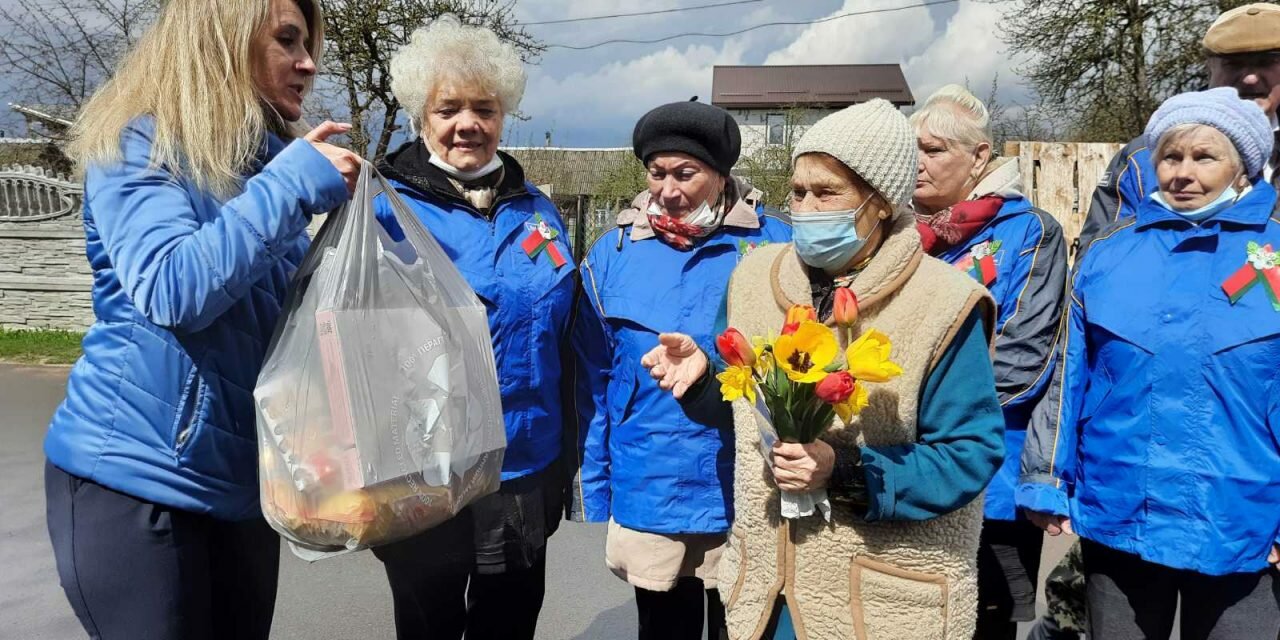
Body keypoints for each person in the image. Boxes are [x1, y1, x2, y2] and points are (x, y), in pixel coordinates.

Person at [42, 0, 359, 638]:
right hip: (138, 487)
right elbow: (172, 287)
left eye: (310, 45)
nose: (308, 63)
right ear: (223, 39)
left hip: (241, 499)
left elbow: (273, 340)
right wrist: (292, 185)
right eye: (288, 41)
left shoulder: (262, 170)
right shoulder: (139, 143)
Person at [642, 98, 1005, 640]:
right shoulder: (754, 277)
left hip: (875, 599)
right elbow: (742, 411)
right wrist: (701, 378)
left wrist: (845, 471)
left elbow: (971, 452)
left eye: (827, 192)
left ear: (880, 202)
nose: (807, 208)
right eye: (798, 191)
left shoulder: (944, 303)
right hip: (763, 593)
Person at [1018, 87, 1280, 640]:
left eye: (1204, 157)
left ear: (1243, 168)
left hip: (1241, 515)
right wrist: (1045, 477)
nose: (1182, 172)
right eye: (1170, 156)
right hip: (1121, 507)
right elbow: (1070, 373)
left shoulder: (1275, 256)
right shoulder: (1109, 255)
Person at [368, 16, 573, 640]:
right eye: (448, 107)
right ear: (420, 117)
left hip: (523, 466)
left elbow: (564, 330)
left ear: (504, 114)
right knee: (427, 625)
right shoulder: (383, 206)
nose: (468, 124)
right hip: (422, 469)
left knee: (508, 624)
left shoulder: (537, 209)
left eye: (484, 108)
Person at [570, 101, 791, 640]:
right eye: (657, 172)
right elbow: (594, 378)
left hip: (745, 477)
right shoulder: (613, 253)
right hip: (650, 479)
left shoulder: (774, 245)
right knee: (662, 627)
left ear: (720, 175)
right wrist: (596, 486)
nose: (668, 190)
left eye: (686, 173)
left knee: (743, 622)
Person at [910, 85, 1067, 640]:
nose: (917, 163)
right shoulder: (900, 235)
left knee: (983, 620)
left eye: (933, 150)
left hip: (987, 471)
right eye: (913, 150)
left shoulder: (1029, 232)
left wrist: (918, 402)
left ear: (980, 157)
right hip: (907, 467)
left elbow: (1026, 356)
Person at [1080, 2, 1280, 251]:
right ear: (1210, 68)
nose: (1250, 77)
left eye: (1268, 62)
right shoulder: (1142, 158)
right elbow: (1100, 253)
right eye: (1234, 64)